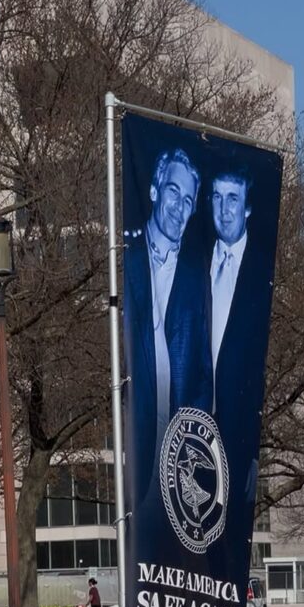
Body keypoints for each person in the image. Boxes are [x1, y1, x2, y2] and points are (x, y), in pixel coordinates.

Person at [124, 149, 212, 503]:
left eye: (188, 200)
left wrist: (190, 447)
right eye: (174, 191)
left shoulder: (196, 280)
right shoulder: (124, 261)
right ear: (154, 190)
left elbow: (202, 373)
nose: (179, 206)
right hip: (129, 448)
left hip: (175, 462)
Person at [206, 165, 276, 551]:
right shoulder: (195, 262)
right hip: (194, 435)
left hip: (239, 439)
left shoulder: (262, 271)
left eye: (232, 198)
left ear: (247, 207)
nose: (224, 208)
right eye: (216, 197)